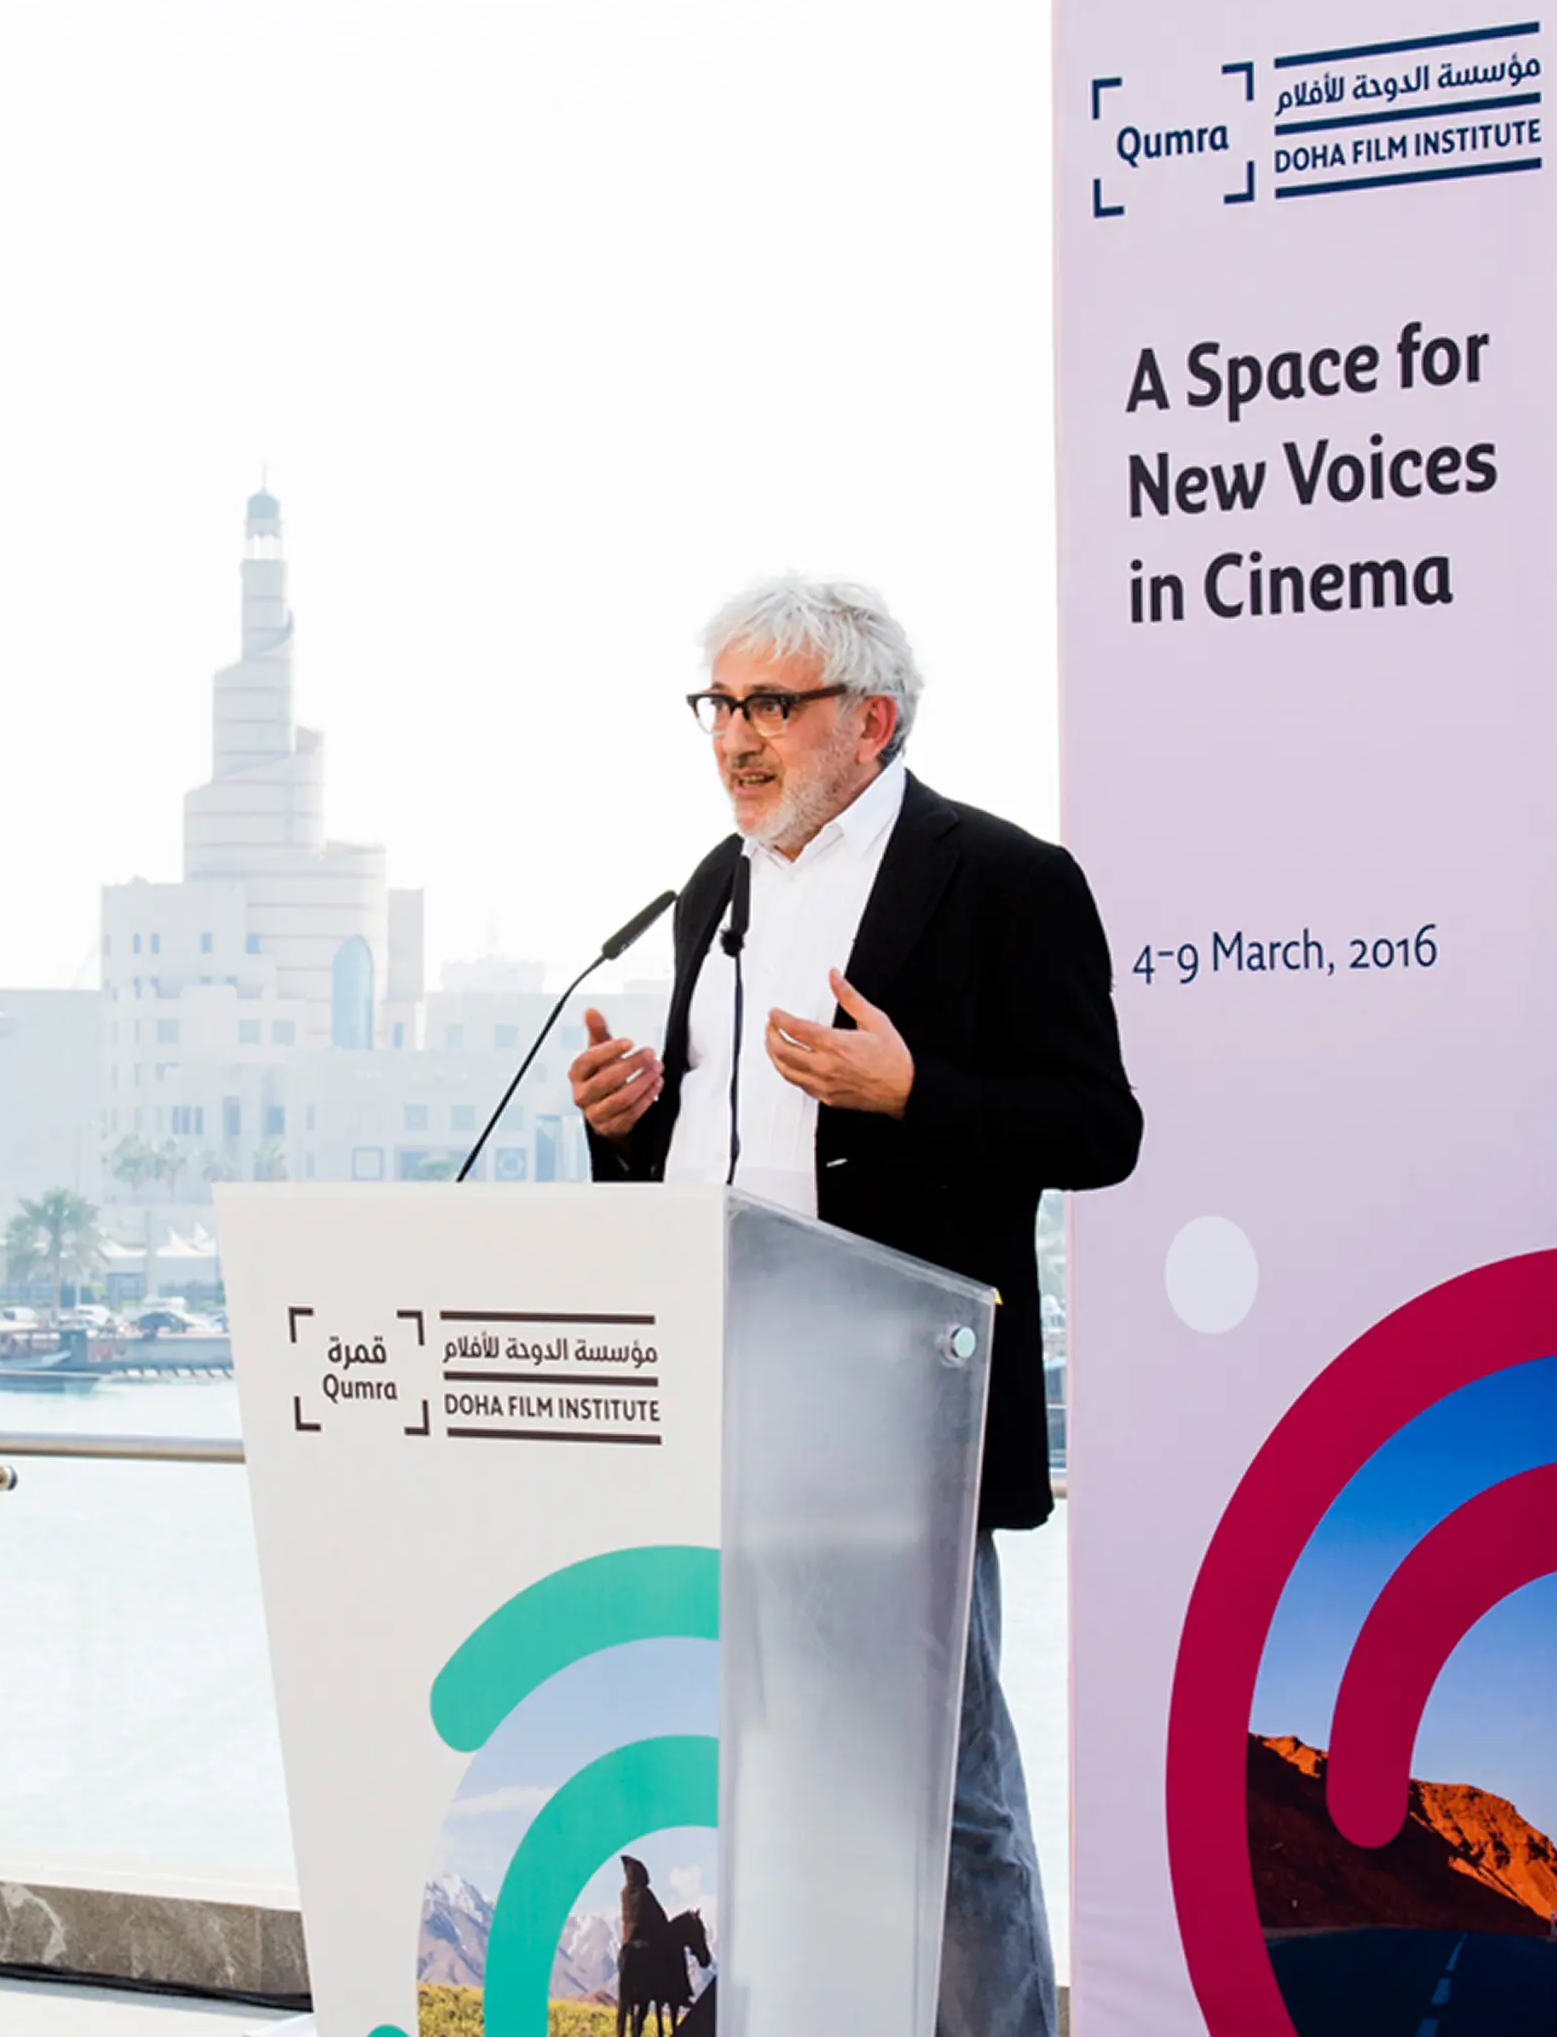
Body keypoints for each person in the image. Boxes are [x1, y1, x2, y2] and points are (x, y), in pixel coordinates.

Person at [567, 575, 1139, 2037]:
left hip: (899, 1416)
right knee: (757, 1774)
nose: (737, 739)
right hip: (726, 1399)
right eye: (722, 705)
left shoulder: (1004, 879)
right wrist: (628, 1125)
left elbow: (1099, 1129)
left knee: (947, 1804)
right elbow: (725, 1144)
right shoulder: (716, 886)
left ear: (870, 719)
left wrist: (913, 1093)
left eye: (774, 705)